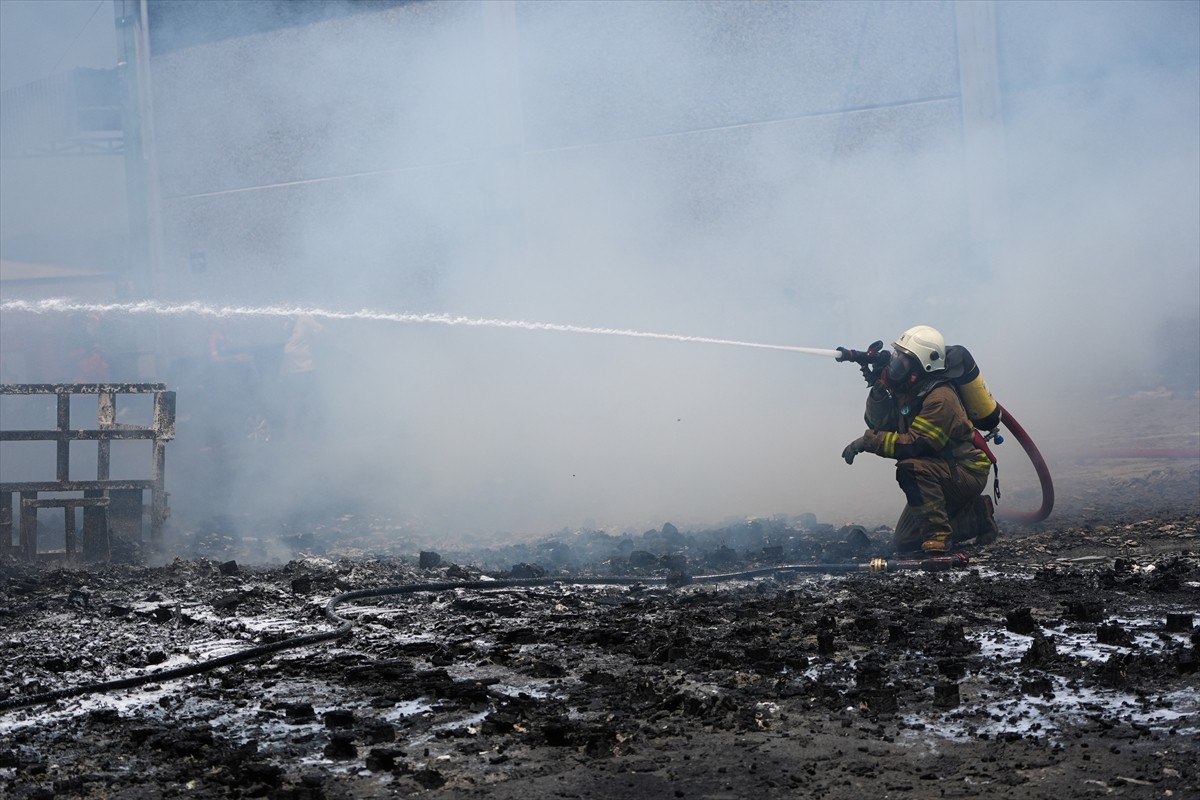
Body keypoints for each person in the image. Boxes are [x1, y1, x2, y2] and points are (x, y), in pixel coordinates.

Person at [840, 325, 999, 553]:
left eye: (903, 360)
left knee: (910, 468)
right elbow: (878, 424)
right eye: (897, 356)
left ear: (922, 365)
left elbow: (916, 444)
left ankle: (938, 537)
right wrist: (879, 389)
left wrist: (867, 442)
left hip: (967, 470)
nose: (895, 364)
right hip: (940, 468)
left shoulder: (940, 397)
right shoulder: (909, 389)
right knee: (905, 541)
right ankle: (978, 516)